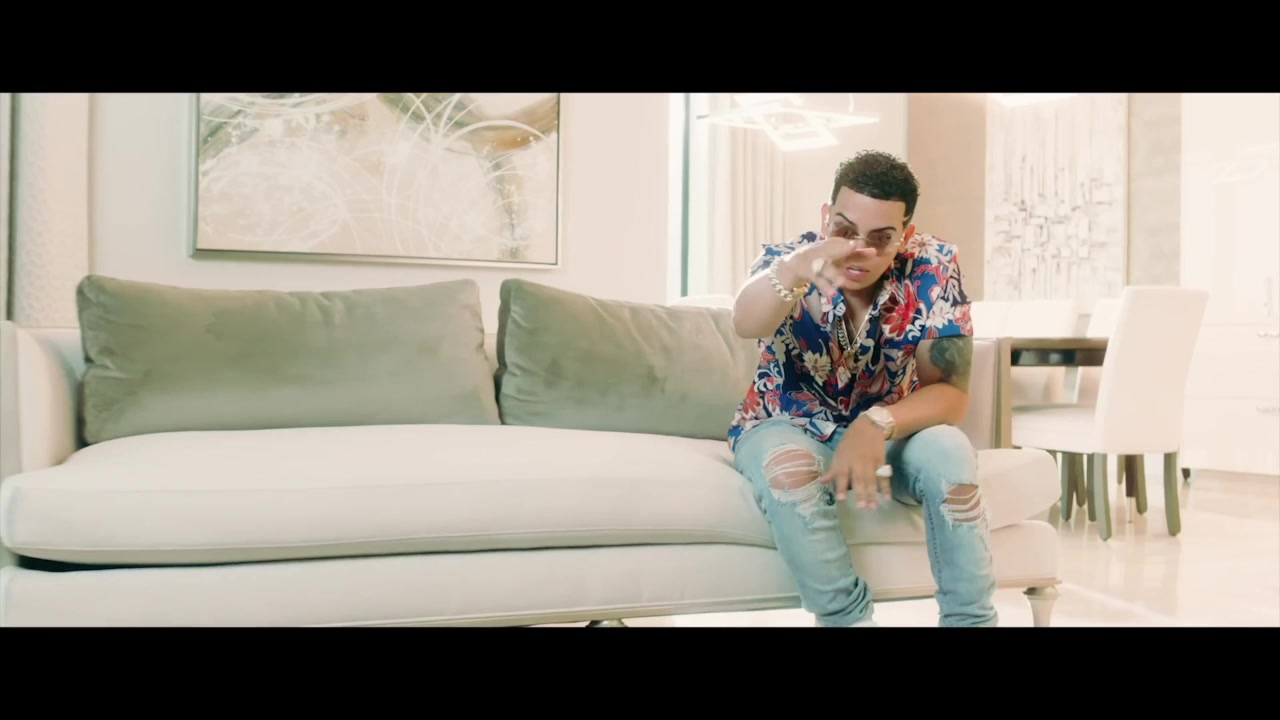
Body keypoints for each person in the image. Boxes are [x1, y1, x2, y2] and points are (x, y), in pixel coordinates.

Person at [727, 149, 995, 628]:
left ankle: (971, 622)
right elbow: (746, 323)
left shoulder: (931, 266)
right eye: (844, 230)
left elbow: (951, 394)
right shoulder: (788, 262)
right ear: (825, 217)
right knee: (789, 470)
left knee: (951, 451)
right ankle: (847, 621)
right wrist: (796, 268)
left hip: (890, 427)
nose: (859, 250)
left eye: (881, 238)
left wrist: (876, 424)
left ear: (905, 235)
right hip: (784, 422)